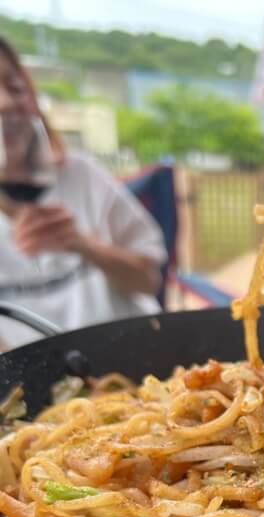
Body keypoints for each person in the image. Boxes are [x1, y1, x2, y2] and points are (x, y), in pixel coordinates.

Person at [0, 37, 167, 349]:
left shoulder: (84, 176)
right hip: (35, 386)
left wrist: (83, 245)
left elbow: (148, 281)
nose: (6, 103)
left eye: (15, 87)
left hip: (139, 355)